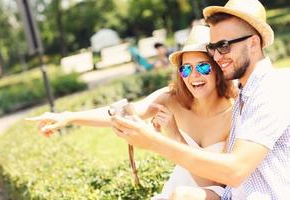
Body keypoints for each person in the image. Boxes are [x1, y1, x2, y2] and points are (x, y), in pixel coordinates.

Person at [26, 25, 236, 200]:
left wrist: (174, 135)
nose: (194, 76)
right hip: (177, 191)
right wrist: (68, 116)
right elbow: (122, 112)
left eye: (203, 67)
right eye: (186, 69)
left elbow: (213, 181)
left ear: (217, 69)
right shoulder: (172, 98)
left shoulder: (232, 112)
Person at [110, 0, 290, 199]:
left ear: (253, 43)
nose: (217, 56)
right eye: (213, 47)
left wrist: (153, 142)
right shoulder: (244, 91)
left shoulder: (272, 89)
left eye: (224, 46)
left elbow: (236, 171)